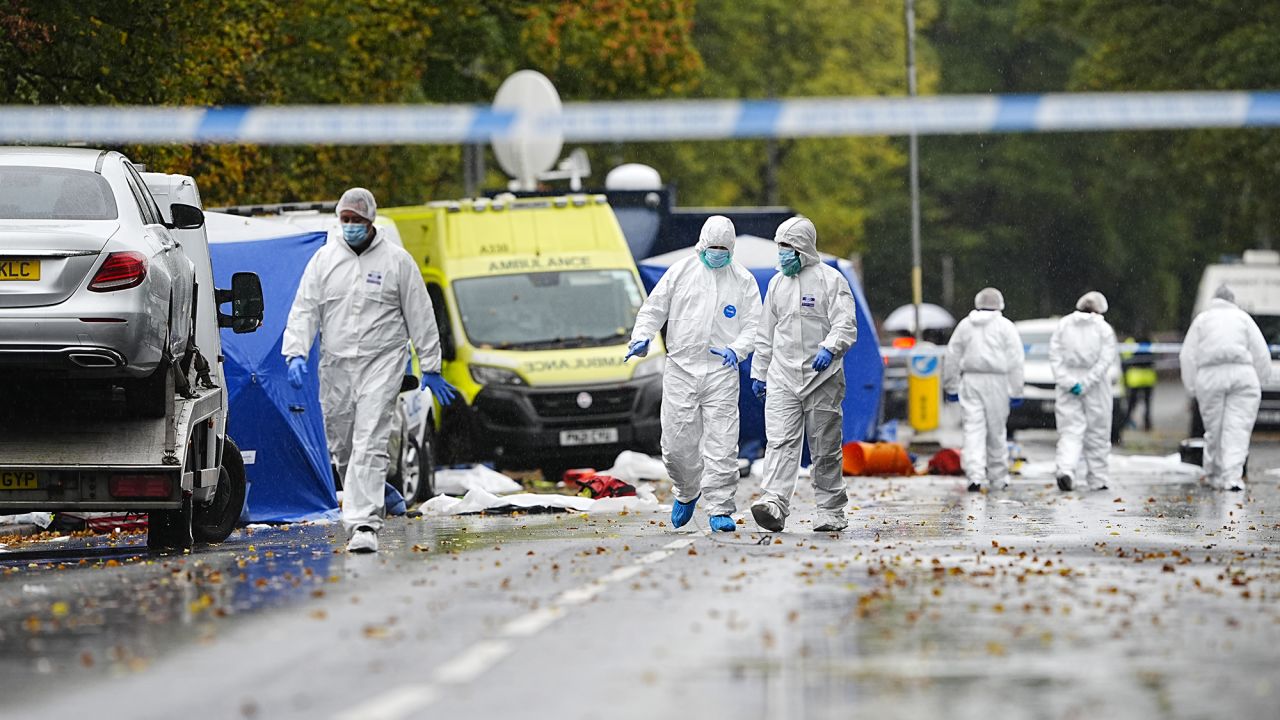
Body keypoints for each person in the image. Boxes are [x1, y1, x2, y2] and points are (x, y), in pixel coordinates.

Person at [283, 188, 458, 553]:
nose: (350, 226)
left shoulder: (397, 262)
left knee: (370, 439)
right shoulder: (324, 260)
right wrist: (296, 353)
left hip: (382, 363)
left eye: (357, 220)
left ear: (370, 220)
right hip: (336, 365)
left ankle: (363, 524)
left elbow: (420, 314)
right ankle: (379, 490)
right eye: (345, 219)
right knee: (343, 445)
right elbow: (305, 309)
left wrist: (431, 365)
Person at [625, 216, 761, 532]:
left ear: (732, 249)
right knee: (675, 446)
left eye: (723, 249)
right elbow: (654, 309)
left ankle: (720, 508)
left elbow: (755, 325)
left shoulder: (743, 280)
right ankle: (687, 491)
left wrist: (738, 349)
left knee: (722, 444)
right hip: (681, 369)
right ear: (702, 244)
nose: (717, 254)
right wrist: (641, 337)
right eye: (713, 247)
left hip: (721, 371)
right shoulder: (680, 272)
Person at [749, 217, 857, 533]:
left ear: (803, 247)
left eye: (788, 247)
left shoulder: (830, 280)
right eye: (780, 246)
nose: (782, 253)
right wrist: (760, 371)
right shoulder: (777, 284)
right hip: (783, 376)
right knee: (780, 441)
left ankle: (831, 510)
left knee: (824, 446)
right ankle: (774, 502)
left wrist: (830, 348)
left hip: (822, 378)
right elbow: (766, 333)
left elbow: (845, 324)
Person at [1180, 285, 1271, 491]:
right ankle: (1232, 477)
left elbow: (1187, 355)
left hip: (1210, 376)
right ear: (1232, 300)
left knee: (1214, 429)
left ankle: (1213, 473)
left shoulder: (1202, 320)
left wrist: (1191, 386)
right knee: (1238, 428)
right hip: (1242, 375)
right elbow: (1261, 352)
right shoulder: (1243, 318)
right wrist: (1261, 377)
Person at [942, 287, 1024, 492]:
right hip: (997, 381)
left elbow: (952, 356)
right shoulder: (1005, 326)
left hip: (971, 380)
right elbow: (1016, 359)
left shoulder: (965, 325)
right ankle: (999, 477)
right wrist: (1016, 389)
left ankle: (974, 476)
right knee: (997, 431)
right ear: (1000, 304)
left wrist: (951, 386)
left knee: (973, 429)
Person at [1049, 291, 1118, 492]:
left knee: (1070, 431)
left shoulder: (1063, 325)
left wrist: (1068, 382)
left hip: (1067, 385)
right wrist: (1087, 382)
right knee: (1098, 431)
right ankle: (1098, 478)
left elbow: (1054, 356)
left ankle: (1066, 470)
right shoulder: (1103, 329)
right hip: (1096, 386)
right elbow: (1106, 360)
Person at [1121, 333, 1157, 431]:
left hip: (1135, 378)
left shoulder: (1130, 342)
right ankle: (1147, 424)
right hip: (1148, 377)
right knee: (1147, 403)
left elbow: (1125, 358)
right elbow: (1155, 356)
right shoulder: (1151, 341)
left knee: (1131, 402)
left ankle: (1127, 422)